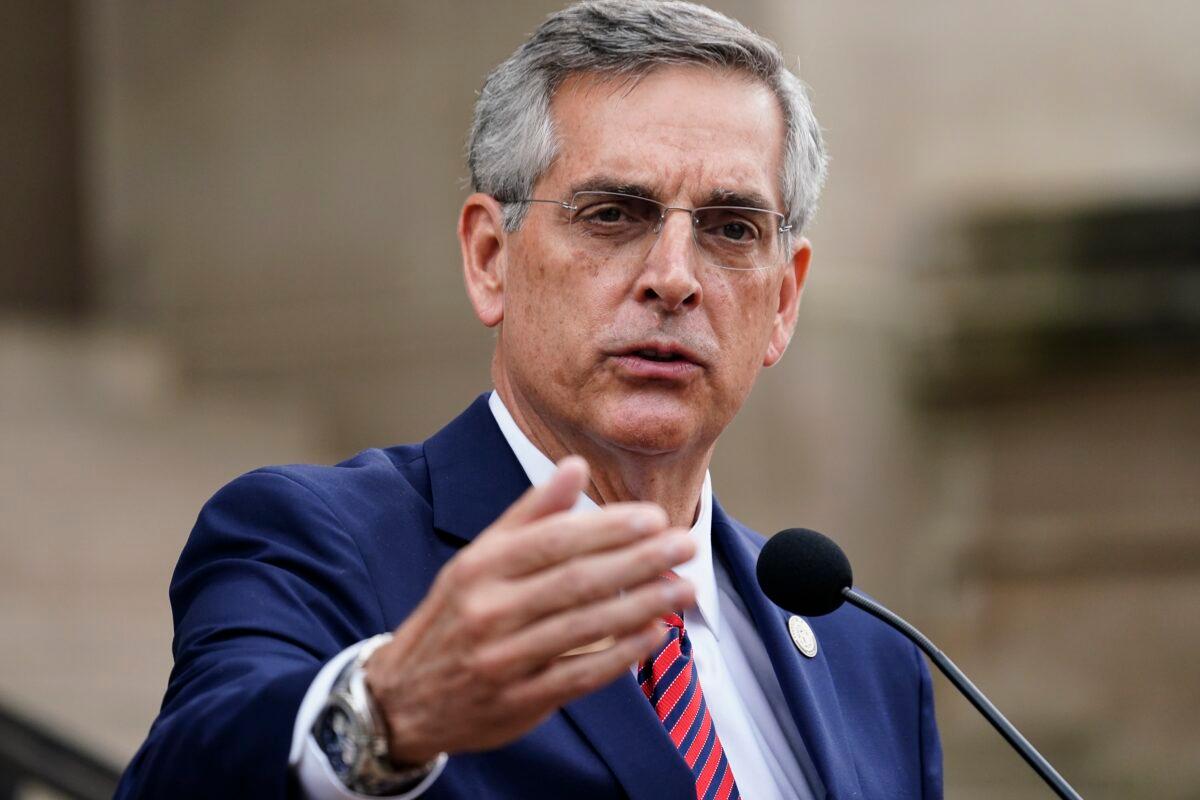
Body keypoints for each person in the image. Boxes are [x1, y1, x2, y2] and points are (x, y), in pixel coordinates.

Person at [116, 2, 941, 798]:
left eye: (731, 229)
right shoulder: (319, 544)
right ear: (488, 258)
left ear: (785, 302)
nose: (675, 278)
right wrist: (383, 716)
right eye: (614, 214)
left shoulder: (868, 656)